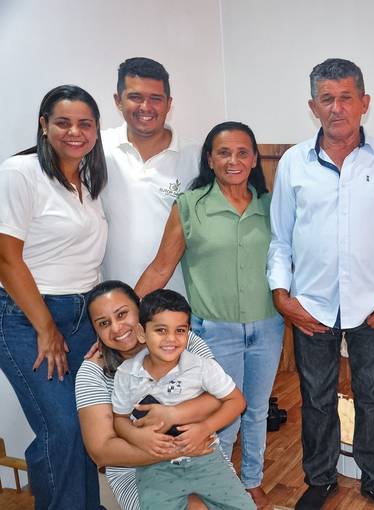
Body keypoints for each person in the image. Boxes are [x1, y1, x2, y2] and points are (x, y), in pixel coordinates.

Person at [268, 58, 374, 510]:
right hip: (311, 306)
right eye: (326, 99)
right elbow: (280, 238)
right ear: (313, 106)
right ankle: (320, 480)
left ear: (364, 102)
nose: (336, 108)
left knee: (373, 398)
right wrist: (283, 297)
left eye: (346, 98)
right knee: (316, 399)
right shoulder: (294, 163)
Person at [135, 121, 282, 507]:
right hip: (215, 331)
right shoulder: (190, 205)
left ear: (255, 159)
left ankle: (252, 479)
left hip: (268, 326)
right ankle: (221, 483)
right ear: (210, 159)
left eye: (242, 152)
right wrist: (125, 317)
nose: (234, 160)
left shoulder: (271, 206)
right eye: (224, 152)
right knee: (222, 412)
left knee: (257, 409)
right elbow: (161, 267)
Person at [0, 85, 107, 509]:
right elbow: (6, 259)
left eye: (85, 124)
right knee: (61, 427)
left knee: (84, 422)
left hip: (81, 317)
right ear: (44, 125)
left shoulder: (87, 180)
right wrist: (45, 328)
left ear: (96, 131)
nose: (75, 132)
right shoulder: (20, 172)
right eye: (63, 122)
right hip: (28, 317)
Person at [77, 280, 222, 510]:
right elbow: (101, 451)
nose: (116, 328)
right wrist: (177, 450)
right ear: (96, 330)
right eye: (104, 323)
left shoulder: (178, 339)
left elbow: (220, 398)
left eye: (122, 314)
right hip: (135, 468)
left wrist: (173, 415)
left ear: (141, 309)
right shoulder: (92, 372)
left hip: (200, 455)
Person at [111, 289, 255, 510]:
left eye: (180, 330)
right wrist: (136, 436)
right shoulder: (126, 373)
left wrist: (205, 427)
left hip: (206, 459)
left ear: (188, 332)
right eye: (161, 330)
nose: (171, 338)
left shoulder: (201, 367)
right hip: (155, 466)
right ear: (141, 332)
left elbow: (237, 401)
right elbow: (119, 419)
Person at [100, 57, 200, 295]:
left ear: (169, 104)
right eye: (135, 97)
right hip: (110, 299)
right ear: (118, 100)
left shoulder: (196, 157)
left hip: (178, 301)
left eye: (156, 98)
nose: (146, 107)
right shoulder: (97, 148)